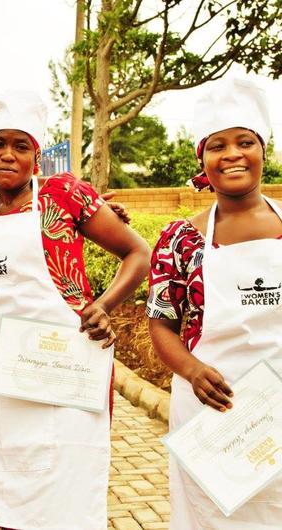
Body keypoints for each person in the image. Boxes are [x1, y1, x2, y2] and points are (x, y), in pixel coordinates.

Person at [0, 90, 150, 530]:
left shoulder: (64, 195)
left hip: (63, 377)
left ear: (36, 156)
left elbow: (138, 253)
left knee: (63, 503)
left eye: (20, 146)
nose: (8, 155)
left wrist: (104, 306)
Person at [147, 78, 282, 529]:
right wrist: (191, 371)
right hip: (211, 415)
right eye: (217, 145)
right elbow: (160, 324)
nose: (232, 154)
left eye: (245, 141)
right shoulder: (181, 239)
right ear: (202, 158)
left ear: (264, 150)